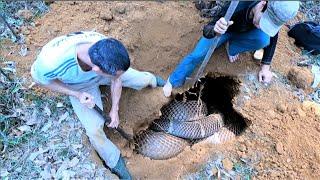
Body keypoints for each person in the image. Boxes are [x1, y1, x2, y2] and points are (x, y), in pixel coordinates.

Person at [31, 31, 165, 179]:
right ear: (97, 70)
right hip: (80, 87)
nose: (118, 77)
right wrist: (76, 94)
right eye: (115, 74)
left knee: (140, 80)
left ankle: (153, 80)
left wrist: (115, 109)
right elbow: (40, 80)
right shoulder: (51, 63)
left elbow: (116, 79)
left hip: (102, 75)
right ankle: (115, 161)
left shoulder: (102, 44)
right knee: (94, 130)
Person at [163, 1, 300, 97]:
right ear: (263, 4)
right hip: (224, 30)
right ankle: (174, 80)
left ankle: (232, 47)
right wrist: (216, 28)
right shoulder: (236, 5)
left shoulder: (275, 11)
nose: (260, 27)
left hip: (243, 31)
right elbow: (207, 30)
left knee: (264, 38)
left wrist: (266, 66)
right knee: (198, 55)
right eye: (261, 22)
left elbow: (273, 35)